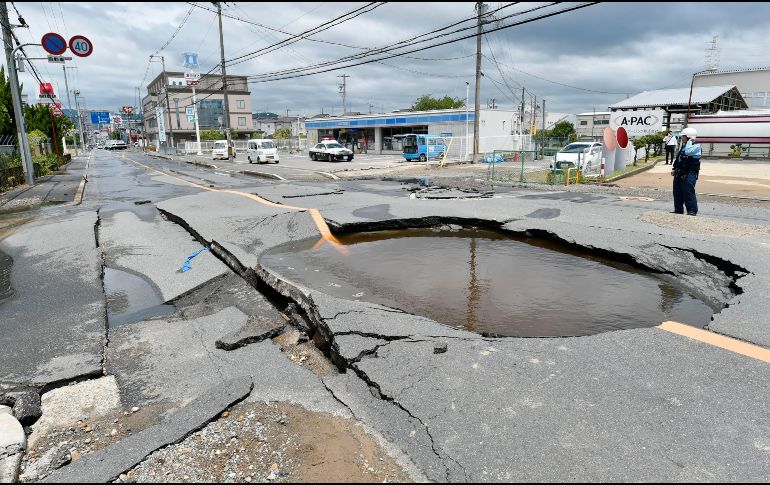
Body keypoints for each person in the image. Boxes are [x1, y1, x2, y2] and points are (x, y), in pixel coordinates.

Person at [671, 127, 701, 216]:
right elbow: (679, 158)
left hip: (690, 172)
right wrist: (674, 168)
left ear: (688, 137)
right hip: (680, 171)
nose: (682, 138)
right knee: (677, 191)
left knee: (688, 191)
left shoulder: (696, 146)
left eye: (683, 136)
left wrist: (690, 141)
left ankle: (692, 210)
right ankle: (678, 209)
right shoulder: (684, 146)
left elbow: (688, 152)